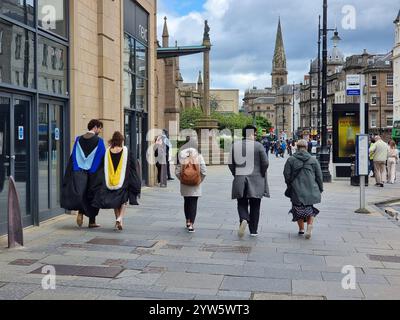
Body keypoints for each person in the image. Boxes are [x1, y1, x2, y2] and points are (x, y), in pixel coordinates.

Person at [92, 132, 141, 230]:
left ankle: (118, 221)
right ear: (121, 140)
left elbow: (102, 167)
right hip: (123, 180)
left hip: (110, 180)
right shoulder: (126, 151)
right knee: (123, 201)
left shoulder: (108, 151)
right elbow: (132, 166)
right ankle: (120, 218)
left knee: (115, 202)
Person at [61, 120, 106, 228]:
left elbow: (74, 157)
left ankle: (80, 213)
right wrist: (94, 171)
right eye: (100, 128)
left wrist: (77, 169)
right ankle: (92, 221)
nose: (100, 131)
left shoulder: (78, 139)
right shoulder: (99, 141)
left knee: (82, 193)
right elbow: (102, 158)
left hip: (79, 172)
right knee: (93, 195)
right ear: (95, 127)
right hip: (93, 173)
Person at [229, 125, 269, 238]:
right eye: (255, 134)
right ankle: (253, 230)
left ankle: (244, 219)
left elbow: (230, 163)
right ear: (251, 134)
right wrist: (261, 173)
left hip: (240, 178)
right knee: (255, 204)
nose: (256, 136)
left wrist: (235, 173)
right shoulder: (259, 146)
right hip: (256, 179)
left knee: (241, 202)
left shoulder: (235, 146)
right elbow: (265, 162)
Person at [284, 139, 323, 240]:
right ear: (306, 147)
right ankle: (309, 226)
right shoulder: (313, 160)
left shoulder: (291, 159)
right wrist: (320, 188)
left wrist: (290, 184)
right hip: (311, 188)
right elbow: (319, 176)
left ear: (297, 148)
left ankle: (301, 229)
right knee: (309, 208)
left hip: (296, 189)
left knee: (297, 208)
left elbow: (286, 174)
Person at [175, 136, 207, 233]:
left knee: (186, 201)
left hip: (184, 183)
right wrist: (199, 180)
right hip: (195, 184)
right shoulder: (199, 155)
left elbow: (177, 171)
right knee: (193, 203)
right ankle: (191, 225)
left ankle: (187, 221)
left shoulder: (181, 154)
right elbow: (204, 171)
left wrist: (182, 179)